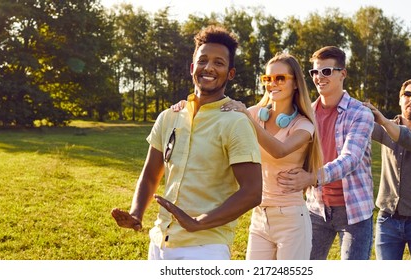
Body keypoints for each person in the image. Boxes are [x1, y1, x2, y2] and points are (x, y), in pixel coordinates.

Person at [110, 25, 263, 260]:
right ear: (193, 68)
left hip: (205, 248)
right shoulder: (169, 116)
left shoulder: (235, 123)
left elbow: (252, 192)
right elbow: (151, 174)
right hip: (160, 242)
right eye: (203, 60)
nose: (209, 67)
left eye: (219, 63)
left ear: (230, 73)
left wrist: (198, 223)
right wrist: (137, 213)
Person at [218, 53, 323, 259]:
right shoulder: (256, 114)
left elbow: (280, 150)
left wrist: (247, 119)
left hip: (292, 218)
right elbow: (217, 117)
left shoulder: (304, 124)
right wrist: (185, 108)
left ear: (295, 84)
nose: (272, 83)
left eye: (280, 78)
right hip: (260, 215)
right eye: (267, 79)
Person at [277, 46, 375, 260]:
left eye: (326, 71)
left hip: (354, 211)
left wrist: (312, 177)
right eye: (315, 72)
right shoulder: (306, 115)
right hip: (316, 207)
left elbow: (351, 159)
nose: (319, 77)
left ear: (343, 74)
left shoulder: (360, 114)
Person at [363, 79, 411, 260]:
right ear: (400, 99)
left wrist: (383, 121)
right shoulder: (384, 127)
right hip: (387, 219)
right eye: (407, 94)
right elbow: (356, 123)